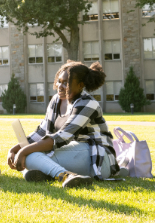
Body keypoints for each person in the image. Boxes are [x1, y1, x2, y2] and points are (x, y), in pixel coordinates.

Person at [7, 60, 120, 188]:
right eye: (59, 81)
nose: (60, 86)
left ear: (80, 85)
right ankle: (53, 173)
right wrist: (15, 149)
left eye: (66, 83)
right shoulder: (56, 100)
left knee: (30, 157)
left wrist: (23, 152)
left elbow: (62, 137)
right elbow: (42, 132)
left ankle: (66, 176)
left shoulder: (88, 104)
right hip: (74, 152)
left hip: (97, 157)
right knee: (31, 156)